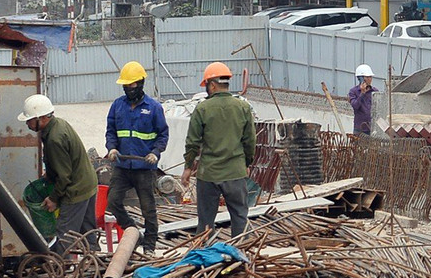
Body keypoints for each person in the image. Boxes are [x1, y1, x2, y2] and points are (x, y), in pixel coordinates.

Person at [182, 62, 256, 239]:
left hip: (209, 174)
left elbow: (192, 142)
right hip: (235, 172)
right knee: (239, 217)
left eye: (207, 85)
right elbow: (250, 141)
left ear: (212, 85)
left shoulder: (202, 109)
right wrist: (246, 163)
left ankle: (207, 256)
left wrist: (187, 167)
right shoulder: (243, 107)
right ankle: (241, 255)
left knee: (206, 221)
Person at [104, 61, 169, 255]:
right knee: (113, 201)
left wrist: (155, 153)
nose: (128, 89)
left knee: (148, 208)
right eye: (126, 85)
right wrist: (112, 148)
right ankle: (133, 231)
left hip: (144, 168)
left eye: (131, 85)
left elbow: (163, 135)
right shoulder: (117, 106)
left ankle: (149, 245)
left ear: (140, 83)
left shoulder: (153, 108)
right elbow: (111, 131)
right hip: (123, 166)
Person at [19, 94, 98, 251]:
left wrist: (54, 198)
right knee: (88, 231)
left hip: (76, 189)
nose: (27, 124)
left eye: (29, 120)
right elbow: (62, 161)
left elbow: (64, 176)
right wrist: (49, 174)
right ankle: (96, 264)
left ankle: (62, 271)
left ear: (41, 118)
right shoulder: (58, 125)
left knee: (64, 235)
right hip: (88, 183)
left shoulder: (55, 138)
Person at [348, 64, 378, 136]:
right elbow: (355, 106)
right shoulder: (353, 91)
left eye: (370, 77)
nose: (369, 79)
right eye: (367, 77)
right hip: (359, 129)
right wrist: (362, 93)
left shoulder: (375, 92)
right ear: (360, 78)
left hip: (372, 128)